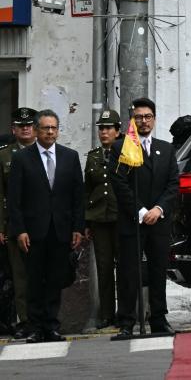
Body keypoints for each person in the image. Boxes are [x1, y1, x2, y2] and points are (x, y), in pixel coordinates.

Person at [8, 109, 84, 343]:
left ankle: (51, 326)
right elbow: (14, 199)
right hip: (32, 232)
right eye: (45, 128)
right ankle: (35, 327)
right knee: (33, 280)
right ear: (37, 130)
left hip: (61, 230)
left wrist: (77, 228)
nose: (50, 132)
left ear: (58, 131)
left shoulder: (70, 157)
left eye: (53, 128)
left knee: (54, 279)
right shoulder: (22, 158)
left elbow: (77, 197)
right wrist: (19, 229)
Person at [109, 98, 179, 337]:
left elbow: (173, 184)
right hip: (133, 221)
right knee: (129, 272)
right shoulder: (122, 148)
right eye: (139, 117)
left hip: (158, 221)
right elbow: (119, 183)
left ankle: (159, 319)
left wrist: (158, 209)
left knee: (159, 271)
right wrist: (140, 211)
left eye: (148, 116)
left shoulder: (166, 148)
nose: (144, 121)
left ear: (154, 119)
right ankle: (127, 322)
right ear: (133, 120)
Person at [0, 107, 37, 338]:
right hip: (14, 223)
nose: (25, 128)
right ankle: (25, 320)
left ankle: (44, 317)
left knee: (43, 273)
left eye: (29, 125)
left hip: (42, 222)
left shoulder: (44, 151)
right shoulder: (4, 155)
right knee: (20, 276)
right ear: (13, 129)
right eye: (20, 125)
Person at [84, 109, 121, 329]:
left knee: (124, 267)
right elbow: (87, 190)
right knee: (105, 268)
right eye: (101, 128)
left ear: (118, 131)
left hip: (120, 217)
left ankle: (127, 311)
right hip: (99, 218)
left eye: (108, 128)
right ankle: (107, 314)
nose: (104, 132)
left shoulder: (126, 152)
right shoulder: (94, 156)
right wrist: (86, 222)